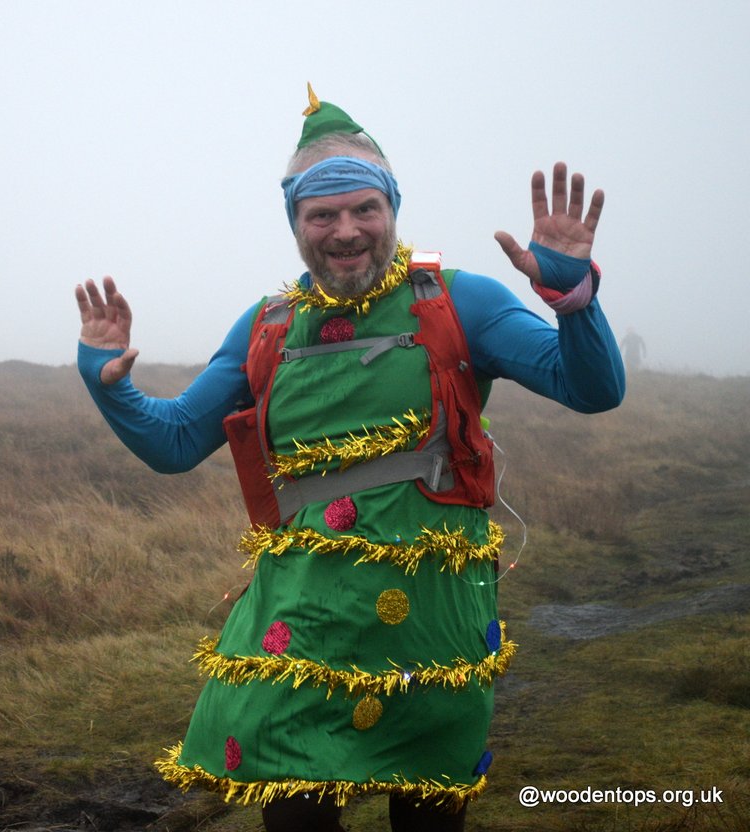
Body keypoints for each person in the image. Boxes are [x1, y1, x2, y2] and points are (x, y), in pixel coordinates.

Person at [74, 86, 623, 831]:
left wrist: (575, 299)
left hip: (432, 628)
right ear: (296, 224)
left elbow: (591, 389)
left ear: (393, 209)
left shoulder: (461, 303)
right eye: (322, 215)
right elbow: (174, 442)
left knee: (427, 820)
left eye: (366, 209)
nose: (347, 231)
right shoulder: (267, 326)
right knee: (296, 818)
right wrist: (109, 387)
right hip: (301, 622)